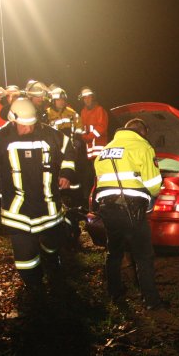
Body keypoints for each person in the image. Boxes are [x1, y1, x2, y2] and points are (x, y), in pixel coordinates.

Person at [0, 98, 77, 307]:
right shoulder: (1, 139)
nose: (28, 128)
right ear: (12, 120)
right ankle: (34, 289)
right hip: (17, 212)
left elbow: (69, 149)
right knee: (25, 258)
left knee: (52, 246)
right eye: (24, 124)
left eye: (31, 123)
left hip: (48, 208)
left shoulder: (49, 134)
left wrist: (67, 172)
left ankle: (53, 267)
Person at [93, 118, 163, 309]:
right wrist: (150, 202)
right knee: (143, 256)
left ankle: (114, 294)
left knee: (114, 252)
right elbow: (153, 184)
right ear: (143, 132)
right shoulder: (143, 147)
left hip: (107, 207)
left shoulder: (106, 149)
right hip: (133, 209)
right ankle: (151, 302)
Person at [46, 86, 87, 208]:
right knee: (56, 176)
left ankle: (76, 203)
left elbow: (79, 128)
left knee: (74, 176)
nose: (62, 102)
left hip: (70, 150)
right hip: (54, 151)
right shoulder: (46, 114)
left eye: (63, 100)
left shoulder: (72, 113)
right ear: (53, 101)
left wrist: (78, 141)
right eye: (59, 100)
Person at [79, 86, 109, 200]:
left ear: (93, 98)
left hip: (100, 150)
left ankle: (101, 197)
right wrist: (83, 136)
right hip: (89, 150)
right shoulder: (83, 112)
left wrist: (89, 137)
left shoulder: (100, 110)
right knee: (91, 176)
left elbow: (102, 127)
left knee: (100, 175)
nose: (86, 100)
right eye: (84, 98)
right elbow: (81, 127)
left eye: (88, 97)